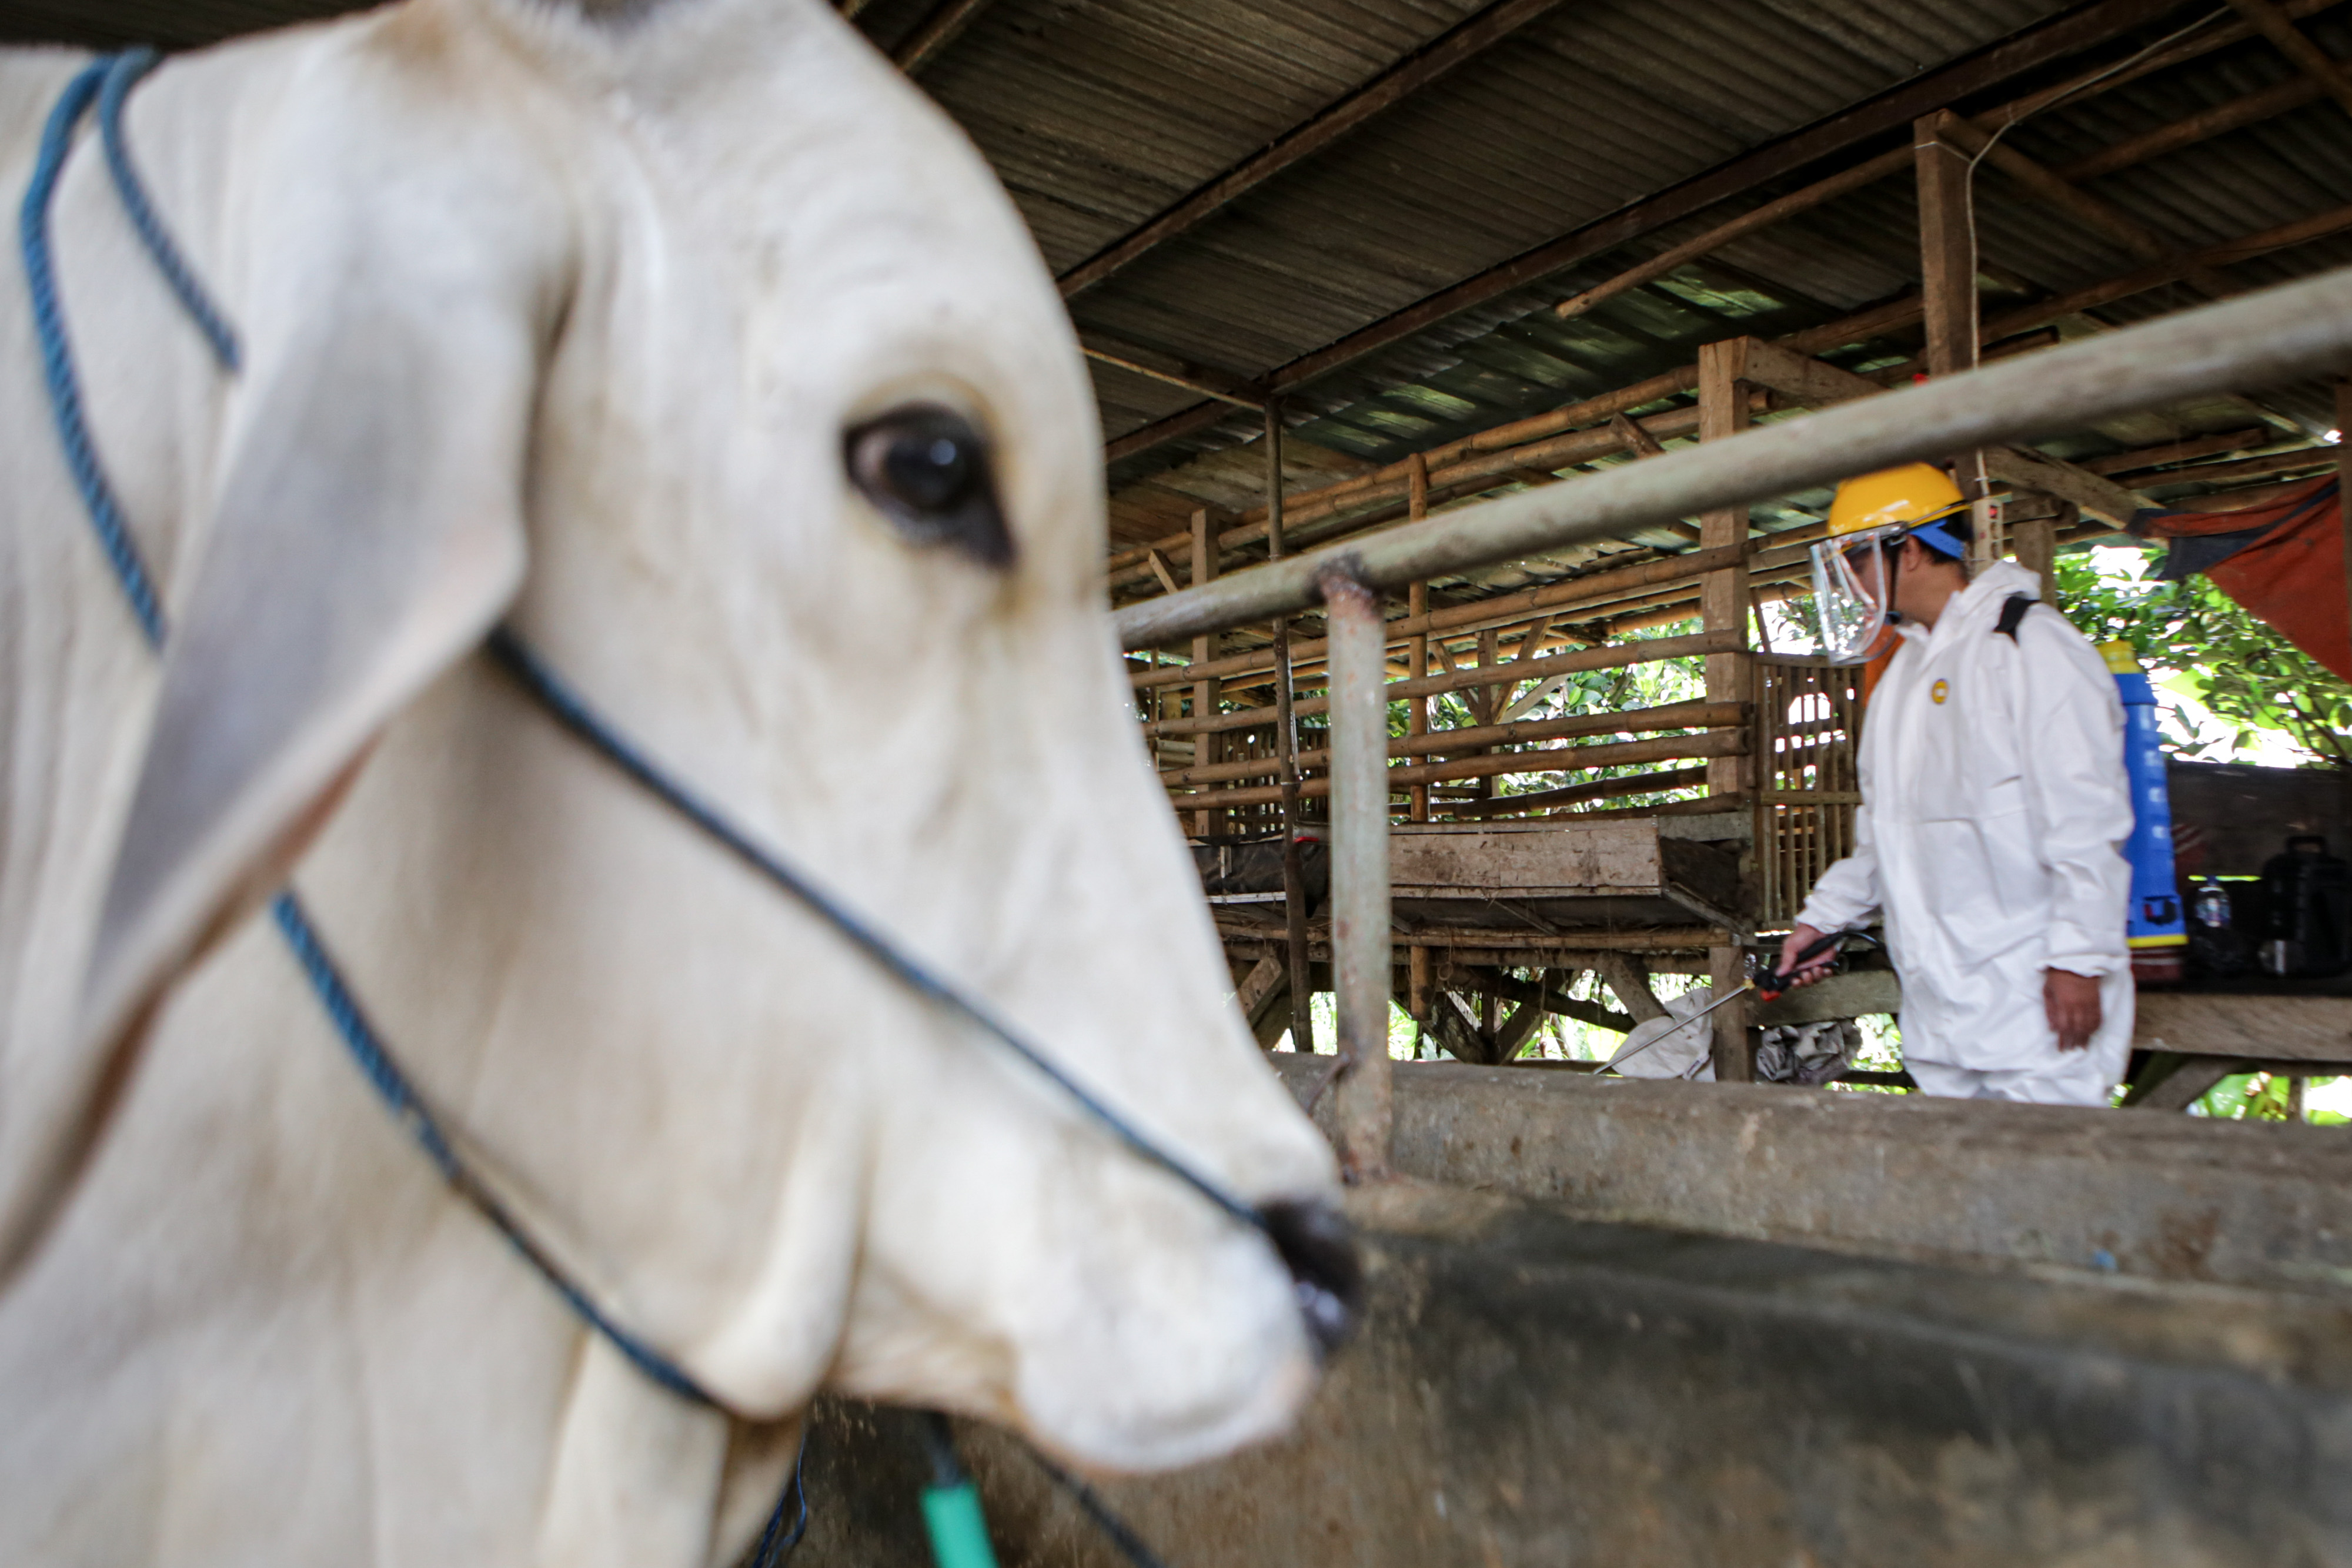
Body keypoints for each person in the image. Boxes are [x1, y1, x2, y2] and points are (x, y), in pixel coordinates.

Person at [1778, 463, 2134, 1105]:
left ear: (1908, 550)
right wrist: (1819, 924)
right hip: (1940, 1011)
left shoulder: (2030, 645)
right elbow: (1883, 836)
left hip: (2035, 1005)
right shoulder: (1904, 675)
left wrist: (2080, 961)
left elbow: (2087, 819)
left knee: (2048, 1191)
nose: (1850, 582)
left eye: (1855, 560)